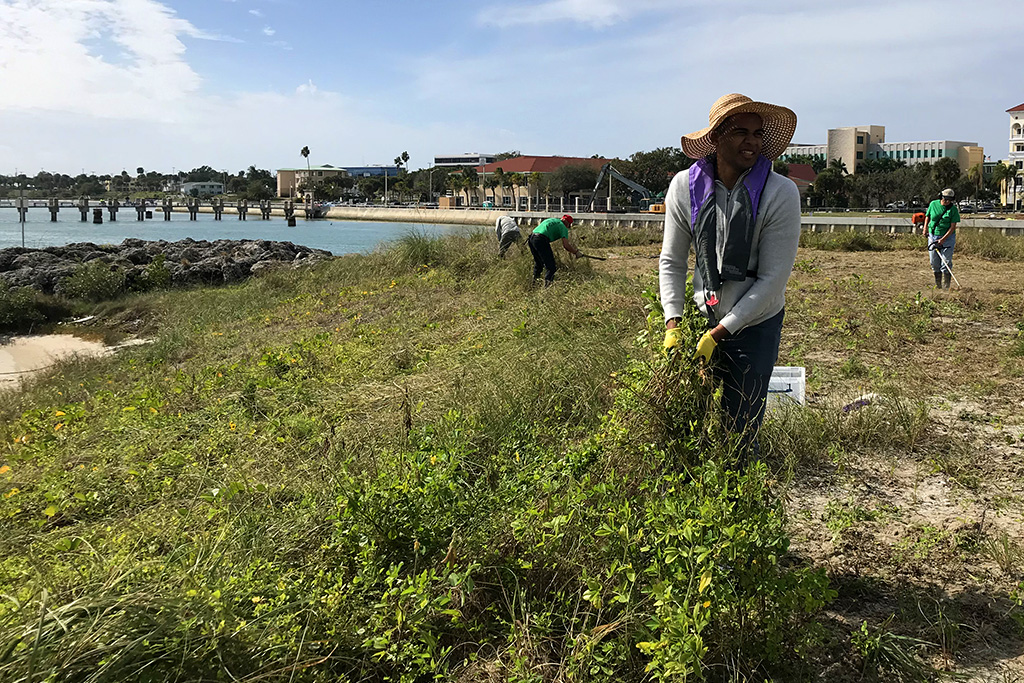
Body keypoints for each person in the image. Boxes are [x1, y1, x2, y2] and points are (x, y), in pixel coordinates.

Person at [659, 93, 802, 459]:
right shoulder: (684, 187)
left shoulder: (779, 192)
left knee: (740, 427)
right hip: (699, 314)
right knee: (688, 421)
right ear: (716, 137)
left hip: (755, 322)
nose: (752, 141)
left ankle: (740, 493)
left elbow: (773, 280)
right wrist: (673, 324)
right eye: (741, 132)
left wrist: (721, 332)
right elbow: (673, 262)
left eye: (757, 133)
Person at [528, 214, 580, 286]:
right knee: (551, 267)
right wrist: (576, 252)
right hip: (541, 239)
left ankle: (533, 286)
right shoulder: (563, 227)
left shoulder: (552, 220)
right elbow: (566, 245)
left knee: (539, 264)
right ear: (567, 223)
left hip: (531, 238)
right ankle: (547, 289)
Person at [923, 188, 960, 290]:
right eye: (945, 199)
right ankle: (938, 286)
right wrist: (925, 228)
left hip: (948, 238)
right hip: (933, 236)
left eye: (949, 200)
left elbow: (952, 227)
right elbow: (927, 216)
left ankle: (946, 287)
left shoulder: (953, 210)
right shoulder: (933, 204)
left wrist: (943, 239)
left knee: (946, 262)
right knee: (934, 262)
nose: (947, 201)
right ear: (941, 197)